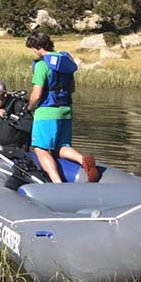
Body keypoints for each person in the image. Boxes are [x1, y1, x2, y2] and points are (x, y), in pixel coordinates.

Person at [25, 31, 100, 183]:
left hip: (47, 112)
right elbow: (71, 88)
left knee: (41, 149)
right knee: (60, 147)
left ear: (36, 46)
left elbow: (37, 95)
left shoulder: (41, 65)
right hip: (66, 110)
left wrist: (30, 107)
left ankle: (57, 183)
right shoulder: (65, 62)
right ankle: (82, 158)